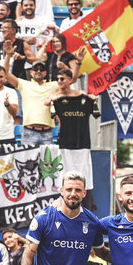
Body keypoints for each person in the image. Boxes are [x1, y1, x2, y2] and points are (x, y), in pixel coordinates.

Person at [48, 68, 98, 207]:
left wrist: (92, 100)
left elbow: (96, 114)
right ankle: (64, 206)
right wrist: (52, 100)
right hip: (65, 143)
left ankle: (87, 206)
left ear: (70, 80)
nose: (59, 82)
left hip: (83, 144)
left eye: (62, 79)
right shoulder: (57, 100)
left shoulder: (84, 98)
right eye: (57, 79)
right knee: (64, 176)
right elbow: (47, 105)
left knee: (85, 177)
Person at [4, 57, 59, 147]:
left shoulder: (53, 85)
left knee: (46, 161)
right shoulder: (24, 84)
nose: (38, 71)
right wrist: (8, 55)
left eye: (41, 69)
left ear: (45, 73)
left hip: (47, 133)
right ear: (31, 72)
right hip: (29, 132)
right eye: (35, 69)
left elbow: (70, 80)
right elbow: (6, 73)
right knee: (28, 160)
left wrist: (78, 64)